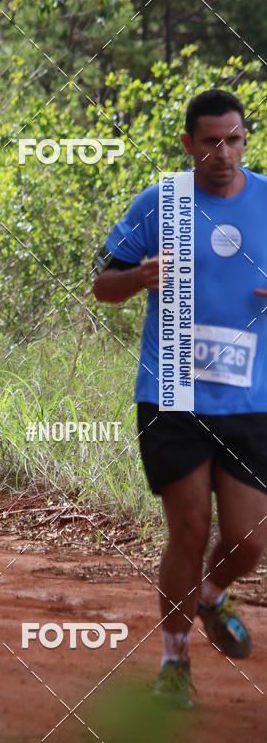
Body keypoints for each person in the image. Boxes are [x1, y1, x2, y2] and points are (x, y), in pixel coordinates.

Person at [93, 89, 267, 708]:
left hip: (251, 398)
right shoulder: (160, 203)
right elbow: (101, 284)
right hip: (171, 390)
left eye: (235, 139)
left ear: (246, 139)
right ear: (189, 144)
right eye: (211, 141)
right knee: (189, 528)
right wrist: (136, 277)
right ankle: (173, 661)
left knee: (249, 540)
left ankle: (212, 597)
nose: (224, 152)